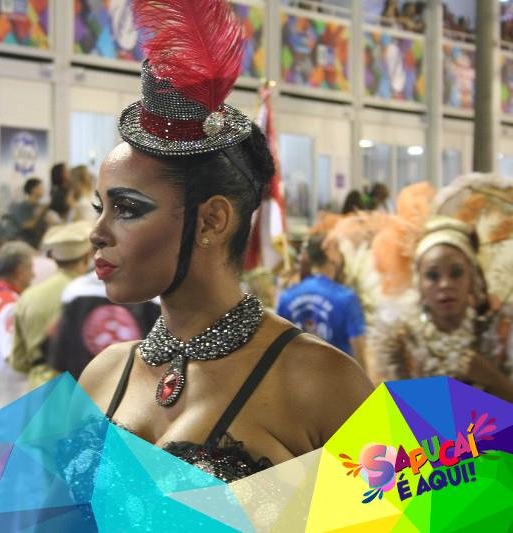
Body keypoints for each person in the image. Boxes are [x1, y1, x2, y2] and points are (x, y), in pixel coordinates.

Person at [78, 0, 373, 483]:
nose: (97, 232)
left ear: (212, 220)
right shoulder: (103, 374)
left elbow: (408, 513)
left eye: (127, 208)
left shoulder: (318, 380)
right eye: (100, 207)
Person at [368, 217, 513, 401]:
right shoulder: (398, 340)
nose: (445, 284)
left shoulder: (500, 330)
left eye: (456, 273)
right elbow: (384, 411)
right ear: (419, 283)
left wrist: (491, 377)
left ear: (472, 277)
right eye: (432, 275)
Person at [9, 221, 95, 388]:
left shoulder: (28, 296)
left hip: (37, 389)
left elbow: (18, 361)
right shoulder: (90, 295)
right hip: (79, 388)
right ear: (87, 256)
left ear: (54, 258)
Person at [47, 271, 161, 380]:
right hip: (134, 386)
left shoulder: (75, 291)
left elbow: (60, 358)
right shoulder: (154, 295)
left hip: (83, 385)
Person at [277, 235, 367, 366]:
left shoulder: (286, 297)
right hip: (338, 375)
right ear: (331, 254)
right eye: (338, 248)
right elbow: (359, 352)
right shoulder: (345, 298)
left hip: (300, 375)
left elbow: (279, 350)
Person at [0, 241, 35, 423]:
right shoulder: (10, 305)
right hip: (9, 386)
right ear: (19, 271)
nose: (33, 275)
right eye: (30, 268)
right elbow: (11, 352)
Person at [7, 178, 49, 248]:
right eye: (41, 187)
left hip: (41, 242)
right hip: (26, 243)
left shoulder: (42, 207)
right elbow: (26, 225)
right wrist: (38, 215)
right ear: (33, 189)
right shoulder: (22, 207)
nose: (43, 190)